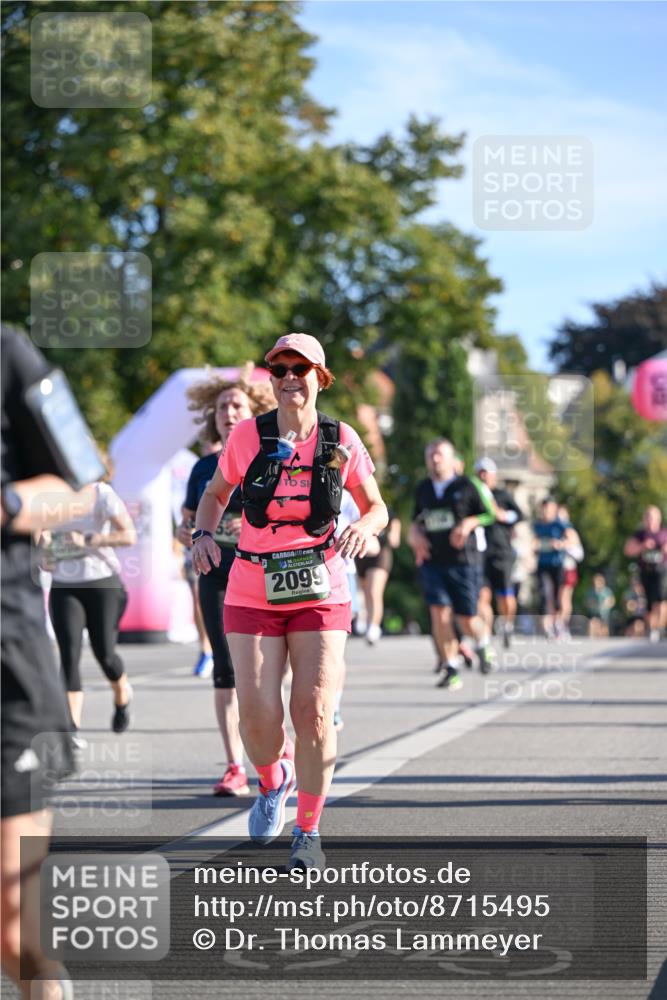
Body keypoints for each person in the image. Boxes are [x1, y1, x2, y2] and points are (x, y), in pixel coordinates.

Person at [192, 333, 387, 869]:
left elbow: (377, 506)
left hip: (321, 587)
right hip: (253, 586)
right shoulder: (247, 437)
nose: (289, 378)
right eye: (279, 370)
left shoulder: (341, 438)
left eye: (300, 369)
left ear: (320, 377)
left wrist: (364, 528)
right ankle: (272, 779)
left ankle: (308, 830)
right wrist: (203, 536)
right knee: (257, 720)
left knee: (315, 712)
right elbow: (215, 495)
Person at [1, 324, 102, 999]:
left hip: (6, 667)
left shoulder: (8, 355)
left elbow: (82, 488)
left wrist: (9, 503)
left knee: (16, 928)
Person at [176, 366, 275, 796]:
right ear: (213, 418)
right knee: (225, 667)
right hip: (216, 576)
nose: (229, 413)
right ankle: (235, 766)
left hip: (263, 575)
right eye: (221, 407)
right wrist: (188, 533)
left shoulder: (271, 458)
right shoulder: (202, 468)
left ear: (253, 413)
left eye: (237, 405)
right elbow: (187, 520)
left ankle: (276, 751)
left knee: (267, 669)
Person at [40, 469, 136, 739]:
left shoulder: (100, 493)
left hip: (102, 583)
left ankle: (121, 694)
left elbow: (129, 535)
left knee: (105, 654)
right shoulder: (48, 496)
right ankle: (71, 731)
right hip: (64, 585)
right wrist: (45, 547)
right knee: (69, 655)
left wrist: (90, 540)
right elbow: (45, 561)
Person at [408, 438, 496, 691]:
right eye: (431, 455)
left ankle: (483, 643)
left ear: (452, 459)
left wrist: (468, 523)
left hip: (464, 561)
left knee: (467, 619)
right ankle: (450, 667)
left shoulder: (468, 485)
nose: (435, 459)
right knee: (439, 613)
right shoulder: (423, 488)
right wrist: (415, 536)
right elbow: (416, 521)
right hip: (433, 561)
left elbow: (490, 514)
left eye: (440, 455)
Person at [474, 458, 524, 648]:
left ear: (493, 476)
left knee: (505, 596)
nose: (483, 476)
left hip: (502, 552)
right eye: (480, 472)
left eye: (486, 472)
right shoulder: (474, 495)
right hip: (480, 553)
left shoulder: (502, 495)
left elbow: (520, 514)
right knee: (482, 596)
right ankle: (485, 637)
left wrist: (503, 515)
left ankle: (507, 624)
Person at [532, 497, 580, 639]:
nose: (546, 511)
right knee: (544, 593)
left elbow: (574, 540)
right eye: (544, 508)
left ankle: (558, 625)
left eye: (549, 508)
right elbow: (534, 542)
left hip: (557, 564)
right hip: (542, 564)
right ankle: (547, 627)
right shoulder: (538, 525)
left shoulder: (560, 524)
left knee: (558, 596)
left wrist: (560, 544)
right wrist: (534, 547)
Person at [355, 508, 400, 645]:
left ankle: (373, 627)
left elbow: (395, 538)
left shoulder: (386, 510)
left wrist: (391, 534)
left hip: (380, 554)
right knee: (363, 592)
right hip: (361, 553)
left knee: (374, 591)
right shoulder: (355, 508)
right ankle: (364, 619)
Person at [624, 506, 667, 642]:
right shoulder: (640, 535)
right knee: (648, 602)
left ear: (658, 518)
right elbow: (628, 550)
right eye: (647, 517)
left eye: (652, 517)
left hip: (661, 571)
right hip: (645, 571)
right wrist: (642, 546)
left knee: (661, 600)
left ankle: (659, 628)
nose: (650, 520)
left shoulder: (664, 533)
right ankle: (651, 629)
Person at [557, 504, 584, 637]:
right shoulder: (554, 530)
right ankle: (558, 625)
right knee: (557, 598)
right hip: (556, 568)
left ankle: (562, 626)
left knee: (565, 598)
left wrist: (565, 546)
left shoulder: (570, 532)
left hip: (568, 569)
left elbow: (579, 554)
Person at [585, 573, 616, 637]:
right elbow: (587, 602)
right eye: (596, 581)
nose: (597, 583)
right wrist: (593, 604)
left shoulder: (607, 591)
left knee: (604, 628)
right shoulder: (591, 591)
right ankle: (591, 640)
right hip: (594, 614)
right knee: (592, 624)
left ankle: (605, 640)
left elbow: (612, 601)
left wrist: (607, 604)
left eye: (599, 581)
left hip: (605, 614)